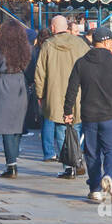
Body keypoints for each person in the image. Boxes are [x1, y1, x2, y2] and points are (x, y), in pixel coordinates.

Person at [64, 27, 112, 204]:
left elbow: (71, 89)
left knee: (92, 153)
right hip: (111, 115)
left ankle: (94, 189)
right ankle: (109, 175)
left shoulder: (81, 62)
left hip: (89, 115)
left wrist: (67, 111)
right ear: (107, 42)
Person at [35, 14, 89, 175]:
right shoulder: (81, 44)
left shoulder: (47, 45)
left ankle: (68, 166)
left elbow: (40, 73)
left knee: (60, 128)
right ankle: (77, 159)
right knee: (76, 126)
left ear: (53, 28)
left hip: (55, 93)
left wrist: (40, 94)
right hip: (78, 93)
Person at [0, 20, 31, 179]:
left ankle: (11, 164)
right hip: (20, 84)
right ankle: (14, 157)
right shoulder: (25, 50)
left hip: (4, 85)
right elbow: (30, 68)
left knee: (6, 126)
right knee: (17, 124)